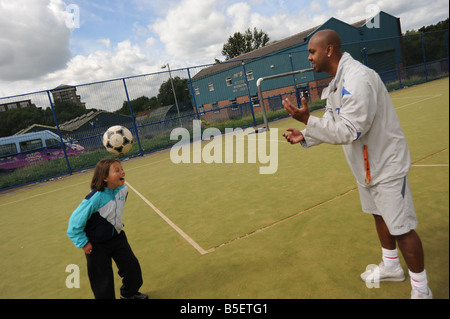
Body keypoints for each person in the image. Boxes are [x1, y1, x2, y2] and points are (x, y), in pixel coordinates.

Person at [282, 29, 432, 299]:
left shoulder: (358, 78)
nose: (309, 58)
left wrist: (307, 121)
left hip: (385, 164)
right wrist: (305, 134)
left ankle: (422, 290)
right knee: (379, 214)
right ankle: (391, 266)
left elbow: (350, 130)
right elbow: (332, 125)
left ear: (329, 50)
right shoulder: (335, 84)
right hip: (366, 166)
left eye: (312, 52)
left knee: (402, 228)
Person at [67, 158, 148, 299]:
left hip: (117, 237)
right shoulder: (94, 198)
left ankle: (128, 294)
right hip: (96, 245)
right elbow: (74, 224)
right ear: (105, 177)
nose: (122, 172)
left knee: (132, 269)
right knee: (102, 282)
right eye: (117, 170)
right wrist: (84, 243)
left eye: (121, 169)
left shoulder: (123, 190)